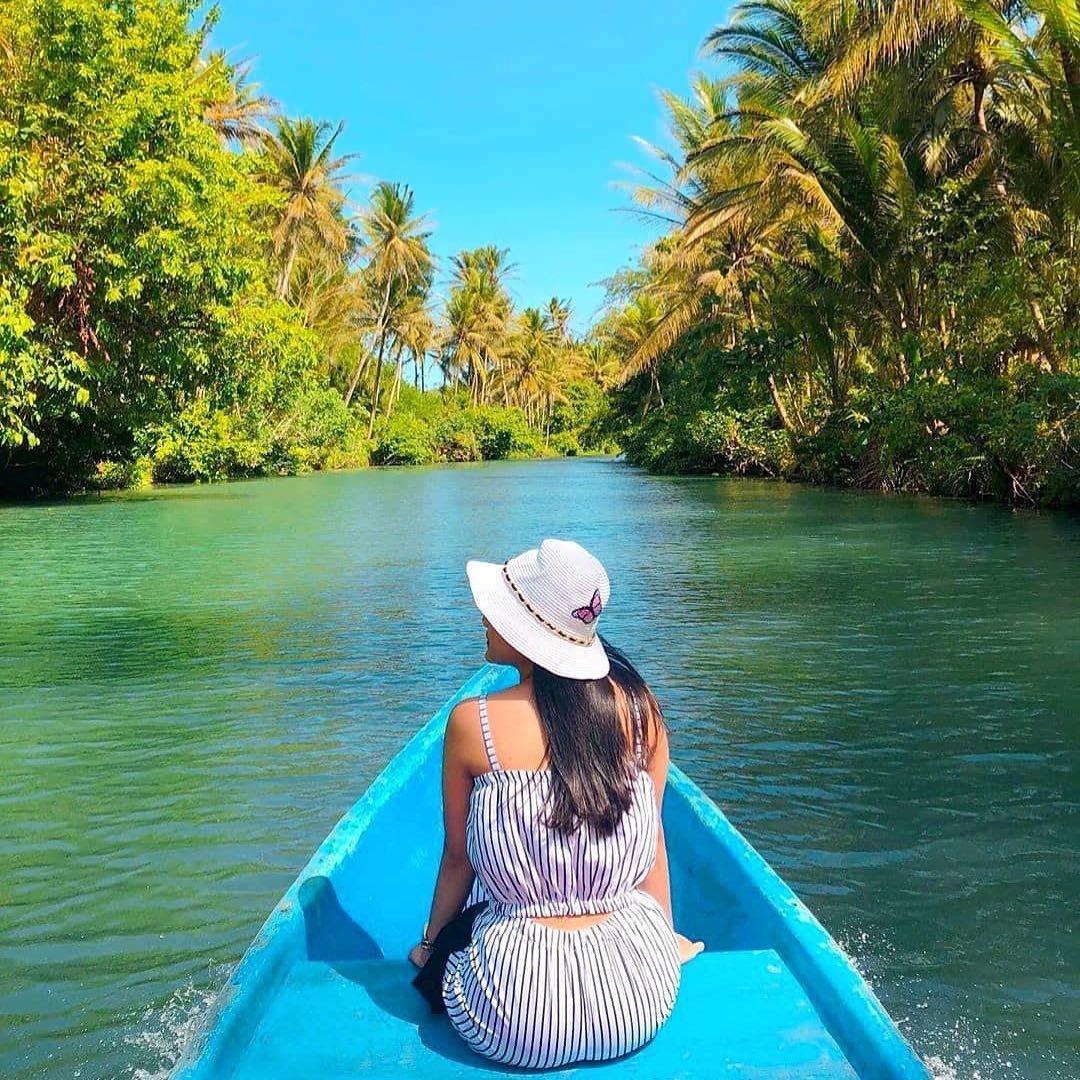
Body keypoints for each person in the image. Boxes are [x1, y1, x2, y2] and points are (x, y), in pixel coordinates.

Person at [409, 538, 703, 1069]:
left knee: (456, 943)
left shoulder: (472, 724)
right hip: (637, 999)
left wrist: (429, 945)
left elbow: (459, 861)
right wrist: (667, 936)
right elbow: (654, 839)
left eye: (494, 607)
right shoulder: (642, 713)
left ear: (529, 632)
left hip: (511, 1017)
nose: (482, 614)